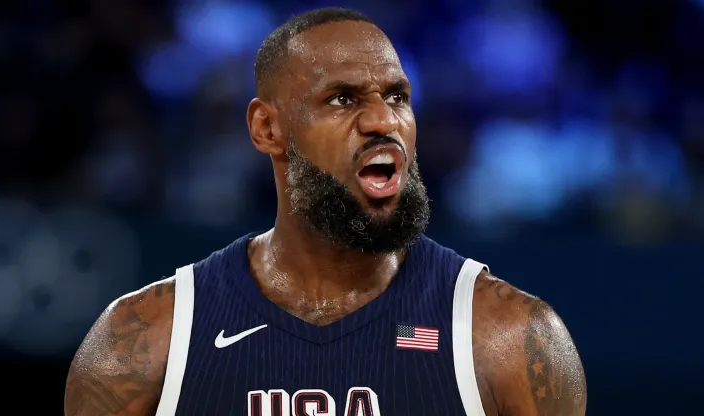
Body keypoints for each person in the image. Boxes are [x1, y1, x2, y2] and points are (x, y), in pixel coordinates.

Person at [64, 7, 587, 416]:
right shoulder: (146, 338)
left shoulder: (510, 336)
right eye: (342, 99)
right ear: (267, 129)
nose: (383, 119)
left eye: (397, 97)